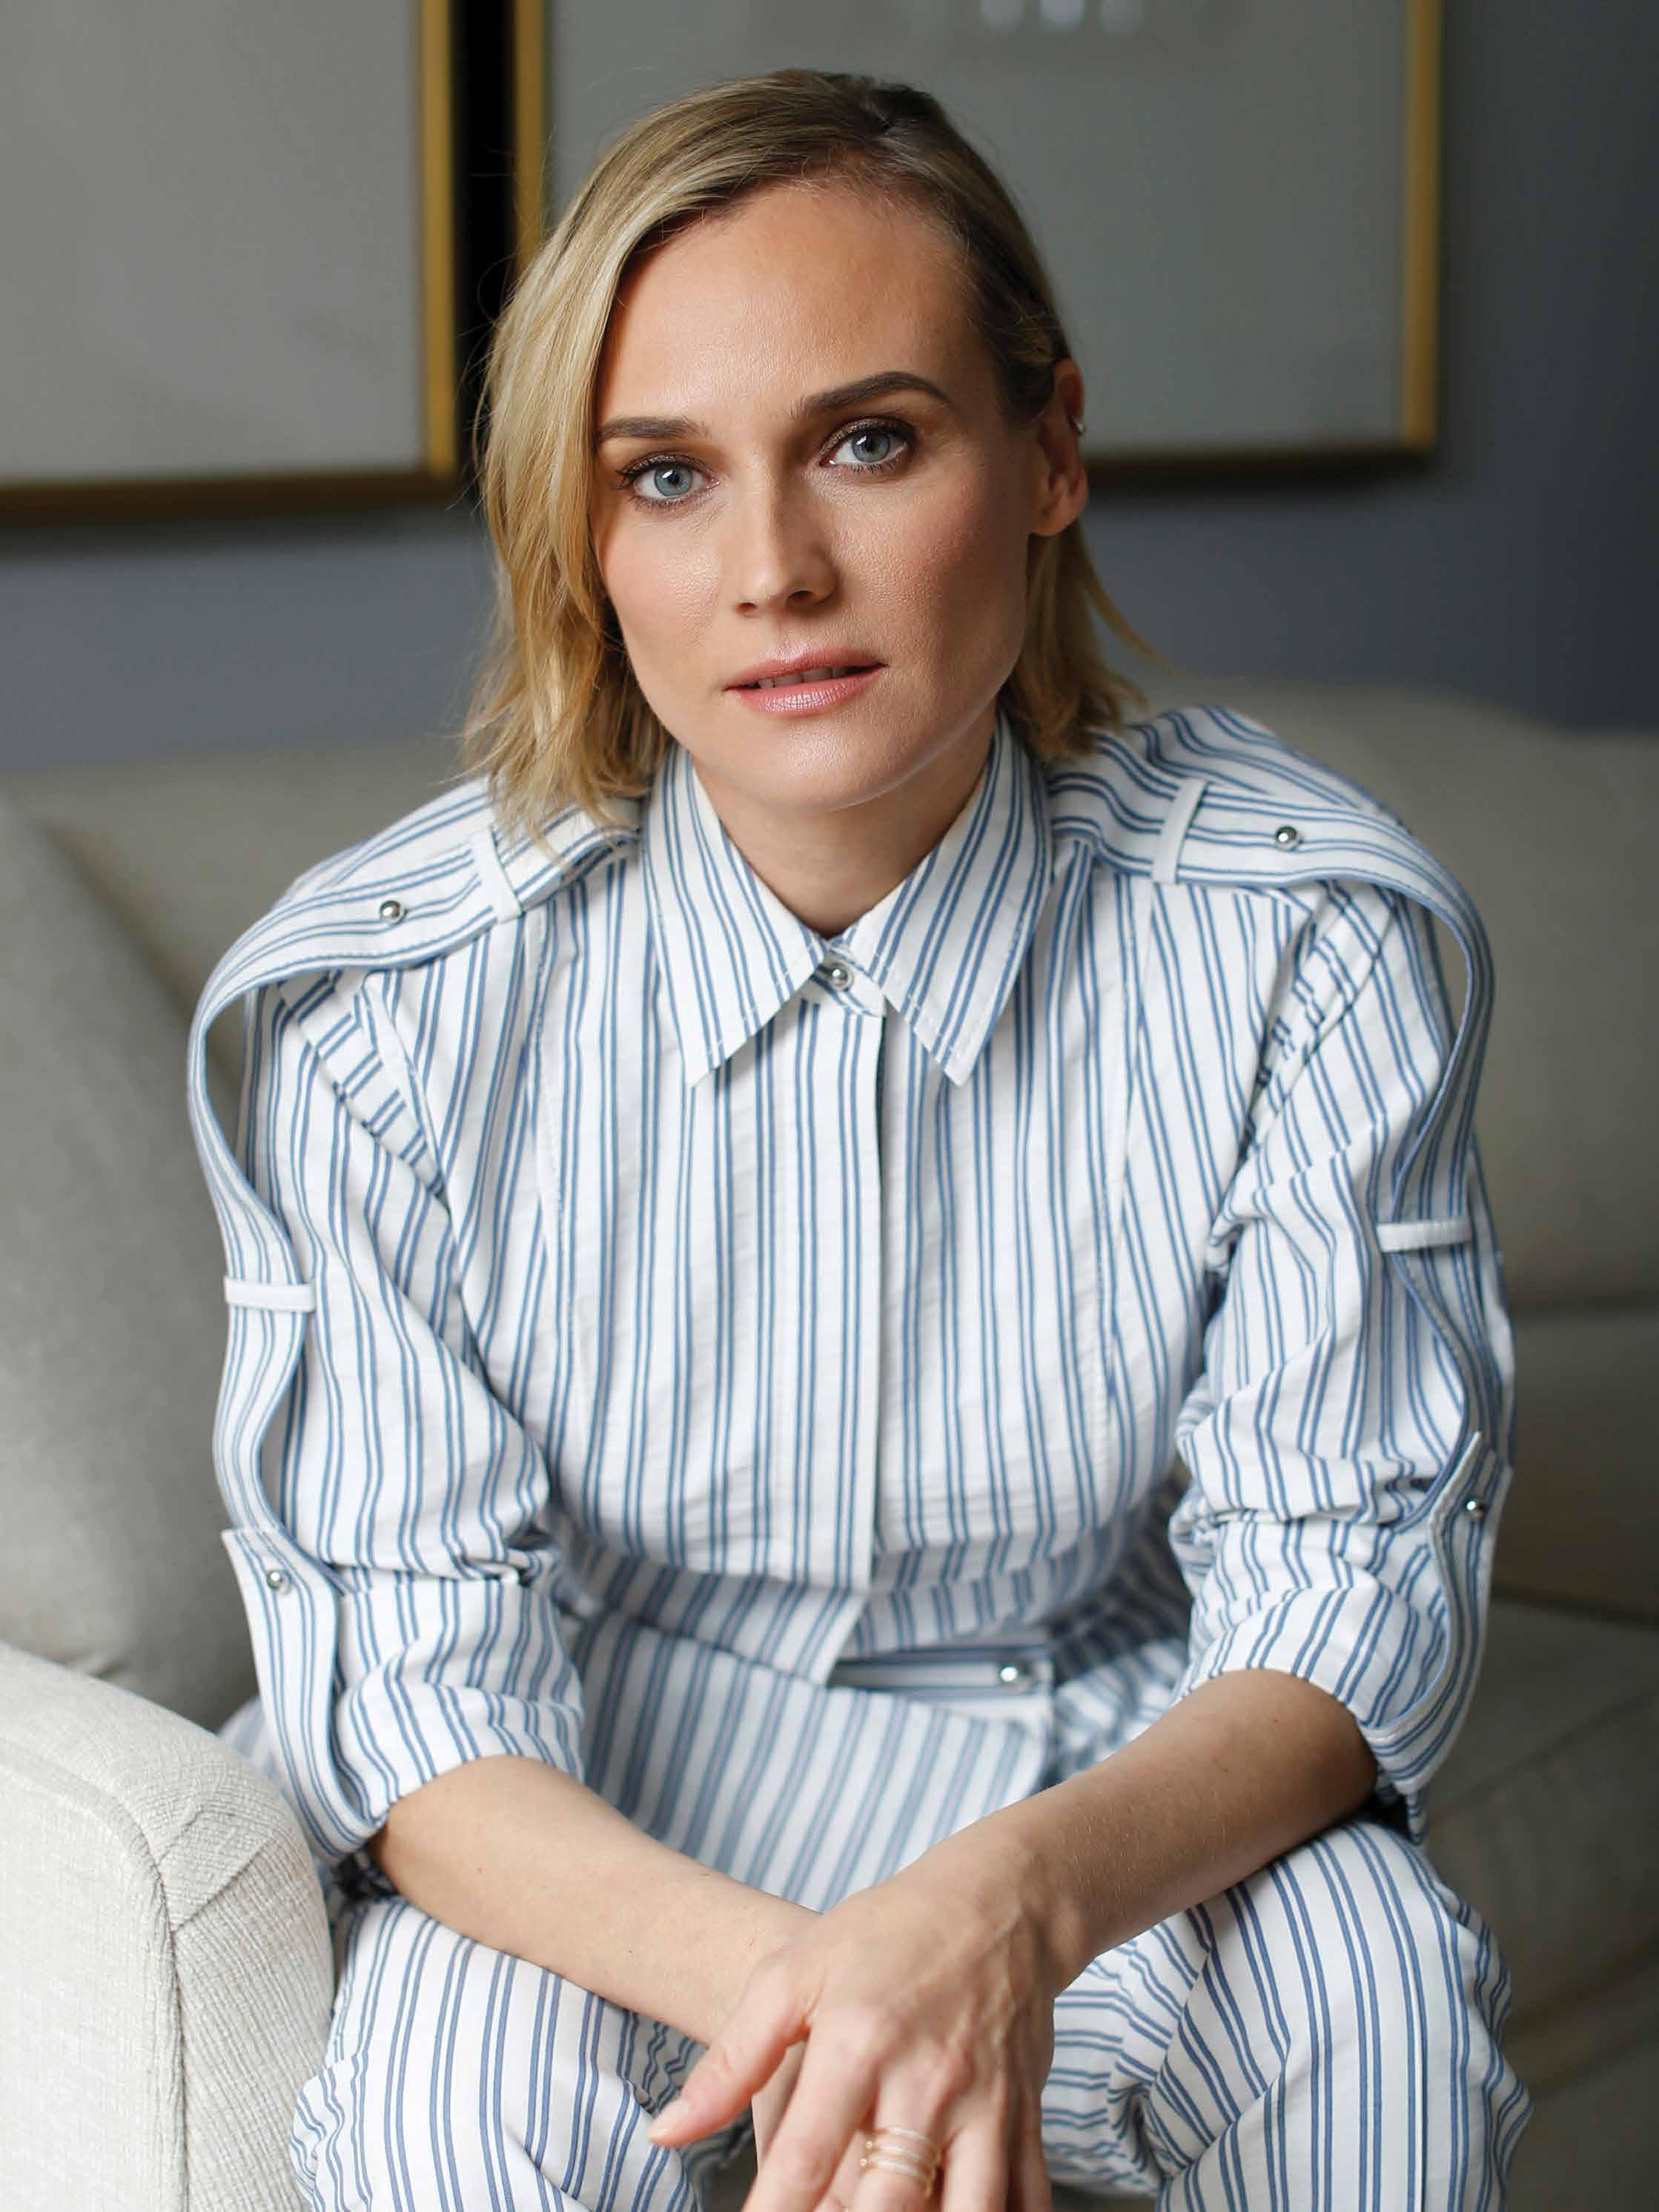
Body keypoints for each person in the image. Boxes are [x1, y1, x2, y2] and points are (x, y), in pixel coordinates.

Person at [187, 66, 1531, 2212]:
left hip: (1115, 1792)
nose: (777, 572)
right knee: (450, 2098)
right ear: (581, 535)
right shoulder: (371, 1019)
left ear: (1050, 449)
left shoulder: (1309, 943)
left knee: (1371, 2011)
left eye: (871, 442)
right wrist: (849, 1994)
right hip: (592, 1815)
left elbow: (1345, 1599)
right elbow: (416, 1711)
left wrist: (1005, 1907)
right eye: (667, 477)